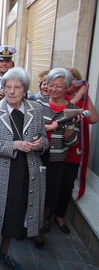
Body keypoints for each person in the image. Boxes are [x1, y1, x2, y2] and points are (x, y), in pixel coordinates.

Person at [0, 67, 48, 270]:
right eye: (8, 87)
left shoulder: (35, 109)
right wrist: (14, 145)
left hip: (26, 169)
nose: (11, 91)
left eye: (16, 87)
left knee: (15, 211)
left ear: (25, 90)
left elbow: (44, 139)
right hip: (0, 169)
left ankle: (5, 249)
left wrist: (39, 144)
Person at [52, 68, 99, 234]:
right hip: (57, 148)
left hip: (74, 149)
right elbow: (59, 116)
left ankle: (60, 215)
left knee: (67, 184)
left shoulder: (82, 99)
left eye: (73, 80)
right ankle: (45, 216)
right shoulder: (60, 98)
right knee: (52, 184)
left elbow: (94, 118)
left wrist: (87, 96)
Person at [36, 68, 83, 235]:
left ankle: (42, 227)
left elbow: (72, 142)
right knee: (32, 191)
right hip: (37, 156)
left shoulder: (72, 110)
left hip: (57, 159)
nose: (54, 89)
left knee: (50, 194)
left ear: (67, 88)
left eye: (59, 86)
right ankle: (29, 225)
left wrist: (70, 128)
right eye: (51, 85)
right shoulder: (37, 105)